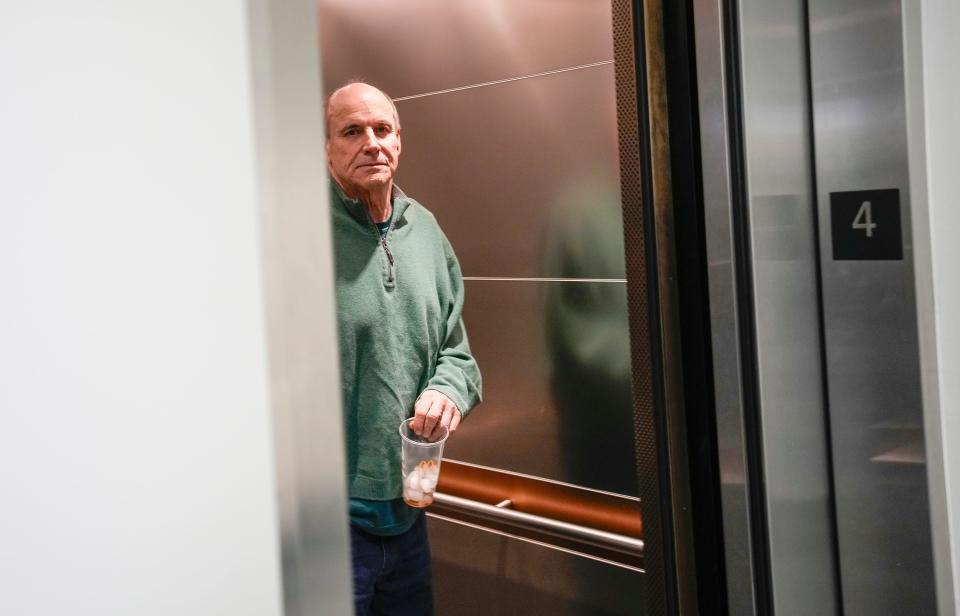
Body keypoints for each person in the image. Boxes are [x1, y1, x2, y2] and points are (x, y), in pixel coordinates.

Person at [326, 81, 482, 615]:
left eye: (382, 129)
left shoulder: (427, 232)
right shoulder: (297, 235)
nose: (371, 142)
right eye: (352, 131)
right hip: (326, 525)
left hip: (409, 510)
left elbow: (457, 353)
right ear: (327, 148)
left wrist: (446, 392)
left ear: (399, 142)